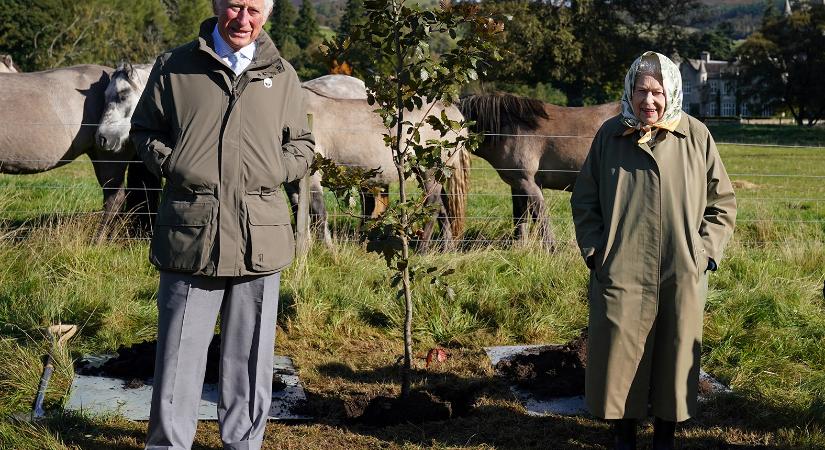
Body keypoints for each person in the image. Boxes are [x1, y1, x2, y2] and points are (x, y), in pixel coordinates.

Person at [130, 0, 314, 448]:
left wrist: (274, 170)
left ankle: (243, 444)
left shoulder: (283, 75)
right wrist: (174, 164)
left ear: (267, 14)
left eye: (254, 9)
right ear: (216, 6)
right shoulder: (174, 67)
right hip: (192, 233)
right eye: (234, 6)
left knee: (250, 360)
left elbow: (303, 145)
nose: (243, 20)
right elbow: (145, 131)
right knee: (178, 357)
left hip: (259, 238)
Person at [570, 51, 737, 450]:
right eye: (641, 91)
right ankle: (623, 434)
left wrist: (704, 253)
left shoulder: (696, 136)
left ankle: (665, 435)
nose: (649, 100)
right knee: (619, 351)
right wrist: (596, 251)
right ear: (629, 91)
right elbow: (585, 200)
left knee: (675, 352)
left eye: (657, 92)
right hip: (621, 266)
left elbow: (723, 203)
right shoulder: (610, 135)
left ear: (672, 92)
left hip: (681, 266)